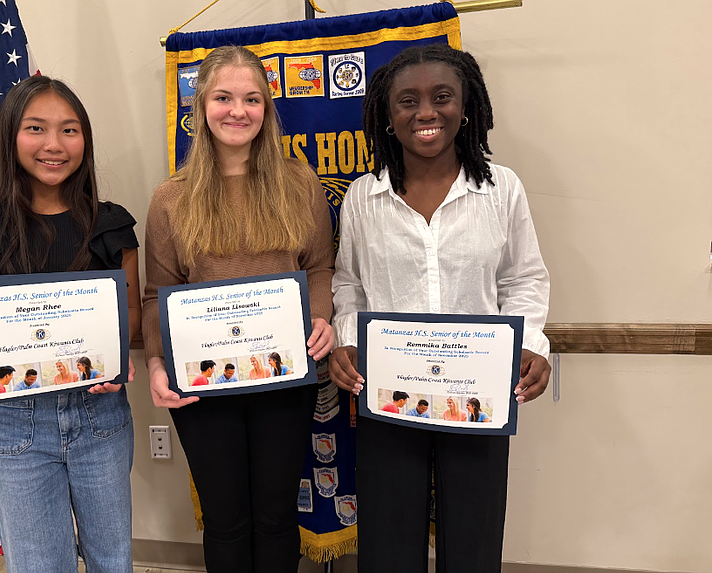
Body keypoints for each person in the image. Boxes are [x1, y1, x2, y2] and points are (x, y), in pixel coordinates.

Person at [329, 44, 551, 573]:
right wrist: (346, 338)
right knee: (387, 541)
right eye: (408, 100)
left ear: (466, 106)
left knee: (473, 539)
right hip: (389, 391)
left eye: (441, 97)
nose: (425, 112)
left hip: (479, 392)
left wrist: (531, 346)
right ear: (387, 116)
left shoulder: (502, 189)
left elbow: (523, 279)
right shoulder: (363, 197)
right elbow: (349, 284)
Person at [0, 75, 141, 573]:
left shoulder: (111, 225)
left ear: (84, 140)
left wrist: (115, 354)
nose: (53, 145)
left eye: (69, 130)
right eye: (36, 128)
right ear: (10, 137)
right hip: (14, 420)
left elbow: (129, 316)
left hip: (99, 416)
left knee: (113, 560)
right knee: (39, 564)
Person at [142, 45, 334, 573]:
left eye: (252, 99)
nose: (238, 110)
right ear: (200, 106)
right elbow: (157, 294)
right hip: (203, 387)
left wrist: (320, 319)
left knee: (275, 518)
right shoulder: (170, 199)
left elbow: (320, 266)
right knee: (226, 521)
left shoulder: (299, 183)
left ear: (267, 109)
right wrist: (157, 364)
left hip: (284, 377)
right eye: (223, 97)